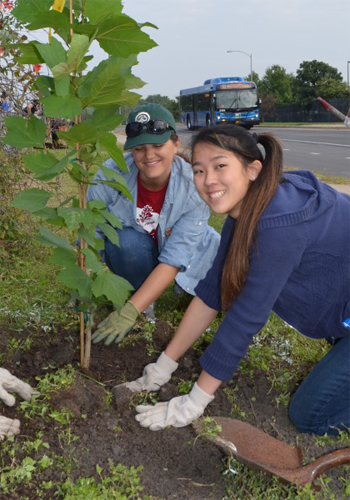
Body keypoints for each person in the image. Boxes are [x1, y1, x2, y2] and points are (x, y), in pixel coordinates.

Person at [122, 124, 350, 436]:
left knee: (310, 415)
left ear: (253, 169)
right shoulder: (246, 208)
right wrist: (163, 366)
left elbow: (245, 317)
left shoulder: (278, 225)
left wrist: (193, 402)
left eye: (220, 166)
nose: (208, 181)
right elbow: (213, 292)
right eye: (199, 171)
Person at [88, 103, 220, 344]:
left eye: (158, 146)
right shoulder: (110, 176)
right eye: (139, 148)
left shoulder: (194, 186)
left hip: (191, 258)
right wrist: (84, 284)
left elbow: (175, 255)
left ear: (176, 143)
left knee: (219, 299)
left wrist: (127, 312)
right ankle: (143, 299)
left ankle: (177, 292)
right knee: (125, 242)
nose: (149, 156)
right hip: (138, 250)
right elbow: (92, 233)